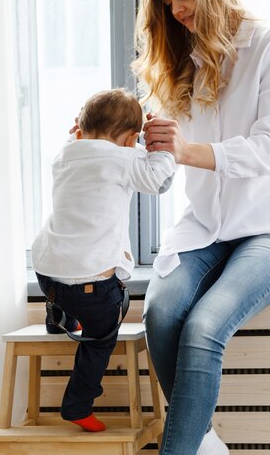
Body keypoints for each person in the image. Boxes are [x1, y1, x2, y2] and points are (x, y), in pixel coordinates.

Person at [132, 0, 270, 455]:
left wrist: (188, 150)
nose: (178, 10)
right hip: (208, 224)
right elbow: (162, 166)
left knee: (204, 325)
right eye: (167, 3)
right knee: (161, 314)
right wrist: (108, 146)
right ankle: (203, 441)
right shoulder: (180, 60)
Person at [32, 87, 176, 433]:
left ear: (79, 131)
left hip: (47, 274)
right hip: (92, 286)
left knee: (64, 286)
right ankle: (77, 405)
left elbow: (79, 141)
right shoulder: (123, 158)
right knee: (101, 338)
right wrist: (162, 150)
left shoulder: (63, 156)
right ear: (130, 140)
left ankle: (59, 319)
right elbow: (159, 180)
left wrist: (81, 134)